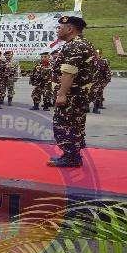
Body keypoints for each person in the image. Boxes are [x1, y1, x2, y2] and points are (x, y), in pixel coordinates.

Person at [49, 15, 96, 168]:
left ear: (69, 29)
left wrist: (62, 94)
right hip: (78, 96)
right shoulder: (83, 43)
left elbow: (69, 73)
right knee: (75, 125)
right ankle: (72, 155)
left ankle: (71, 157)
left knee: (64, 125)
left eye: (60, 28)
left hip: (71, 96)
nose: (58, 30)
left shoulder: (74, 46)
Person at [90, 49, 112, 114]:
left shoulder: (103, 62)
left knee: (97, 95)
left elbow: (107, 72)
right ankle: (86, 107)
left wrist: (106, 81)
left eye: (97, 54)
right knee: (88, 94)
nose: (96, 55)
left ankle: (96, 108)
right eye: (95, 53)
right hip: (89, 82)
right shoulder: (89, 61)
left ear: (100, 54)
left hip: (99, 82)